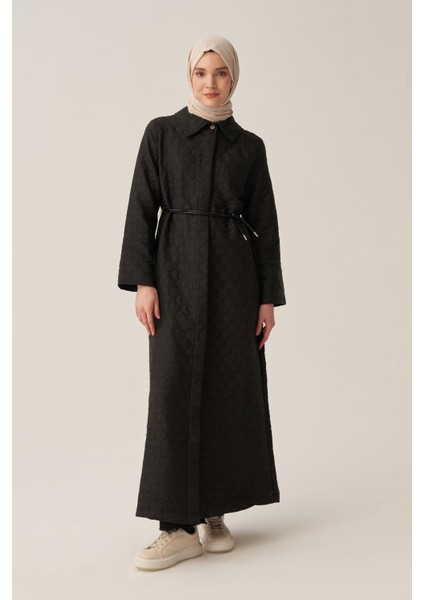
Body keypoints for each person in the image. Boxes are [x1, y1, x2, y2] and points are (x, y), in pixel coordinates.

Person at [117, 35, 287, 571]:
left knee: (228, 390)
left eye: (221, 73)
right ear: (189, 76)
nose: (210, 83)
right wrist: (143, 281)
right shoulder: (162, 133)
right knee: (172, 390)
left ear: (234, 77)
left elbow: (266, 225)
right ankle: (175, 526)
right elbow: (142, 206)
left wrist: (267, 298)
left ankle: (214, 511)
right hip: (175, 274)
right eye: (201, 73)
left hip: (235, 283)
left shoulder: (249, 146)